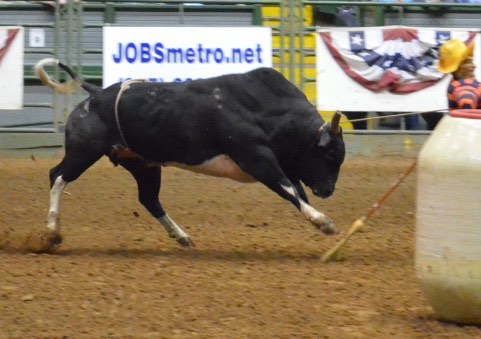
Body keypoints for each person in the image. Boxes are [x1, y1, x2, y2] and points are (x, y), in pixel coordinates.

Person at [437, 38, 481, 110]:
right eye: (468, 62)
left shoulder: (456, 83)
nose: (474, 66)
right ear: (458, 68)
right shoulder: (462, 85)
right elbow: (467, 102)